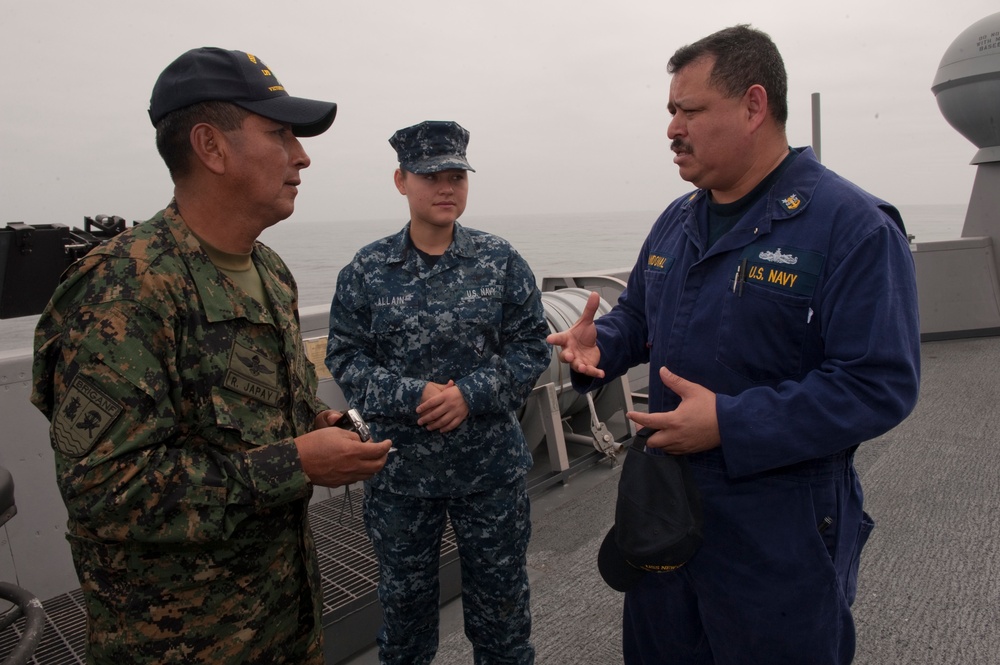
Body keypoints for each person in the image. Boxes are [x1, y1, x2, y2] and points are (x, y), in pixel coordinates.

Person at [548, 25, 921, 665]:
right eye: (670, 111)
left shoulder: (852, 227)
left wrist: (728, 422)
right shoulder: (678, 218)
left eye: (689, 111)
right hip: (664, 507)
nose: (672, 129)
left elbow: (877, 384)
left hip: (778, 524)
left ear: (754, 106)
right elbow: (640, 315)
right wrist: (600, 346)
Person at [30, 47, 392, 664]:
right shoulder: (123, 288)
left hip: (283, 617)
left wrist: (315, 429)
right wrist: (295, 464)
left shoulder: (270, 272)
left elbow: (260, 416)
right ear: (212, 147)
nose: (302, 156)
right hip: (181, 644)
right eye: (279, 134)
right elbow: (102, 489)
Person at [326, 120, 550, 664]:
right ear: (401, 180)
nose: (446, 187)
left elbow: (532, 348)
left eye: (456, 175)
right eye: (431, 176)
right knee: (405, 623)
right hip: (402, 475)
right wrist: (414, 395)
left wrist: (468, 394)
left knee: (502, 619)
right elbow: (345, 358)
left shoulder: (500, 261)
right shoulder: (367, 270)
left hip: (488, 472)